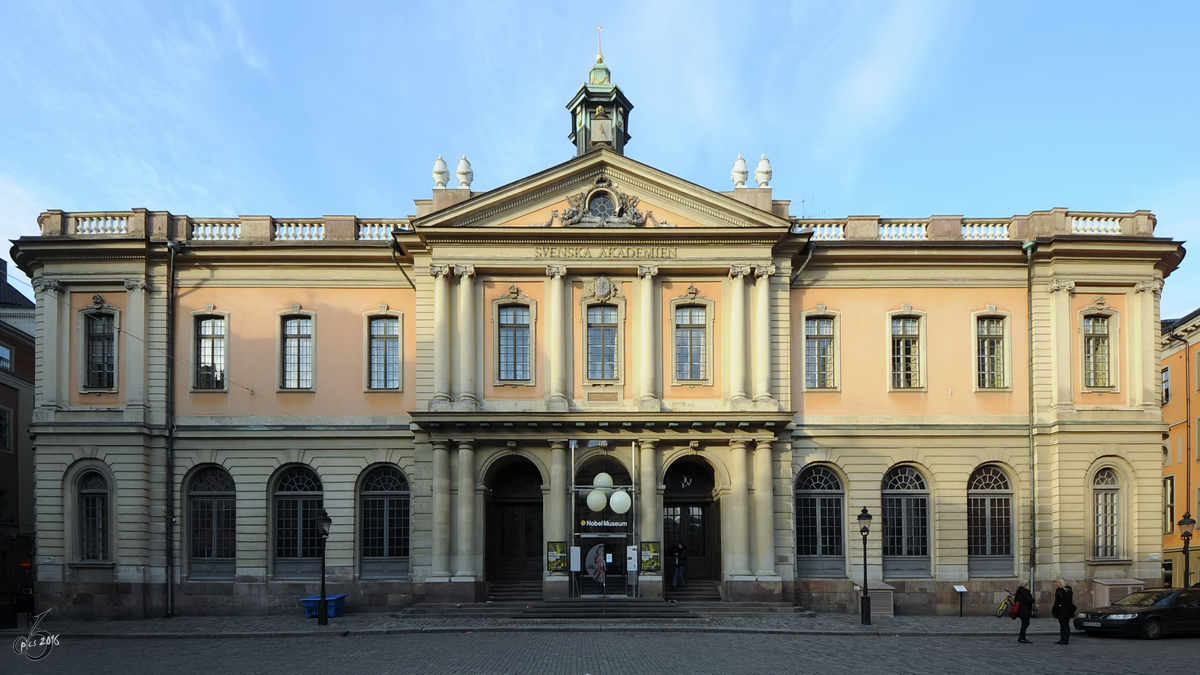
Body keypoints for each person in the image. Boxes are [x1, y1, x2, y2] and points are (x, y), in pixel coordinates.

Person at [1051, 579, 1076, 645]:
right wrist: (1054, 609)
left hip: (1065, 610)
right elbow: (1057, 601)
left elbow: (1068, 602)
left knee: (1065, 625)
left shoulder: (1067, 591)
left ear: (1060, 583)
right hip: (1059, 610)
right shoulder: (1058, 590)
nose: (1055, 584)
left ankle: (1065, 639)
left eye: (1056, 582)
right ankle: (1062, 638)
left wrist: (1066, 612)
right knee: (1062, 625)